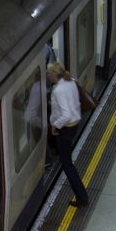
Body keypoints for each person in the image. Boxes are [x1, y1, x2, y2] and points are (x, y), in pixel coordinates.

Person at [46, 61, 89, 207]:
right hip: (74, 124)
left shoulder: (58, 90)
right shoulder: (71, 81)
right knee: (66, 161)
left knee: (67, 165)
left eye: (48, 72)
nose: (47, 75)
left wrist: (55, 126)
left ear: (54, 74)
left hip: (65, 128)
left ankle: (82, 197)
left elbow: (66, 114)